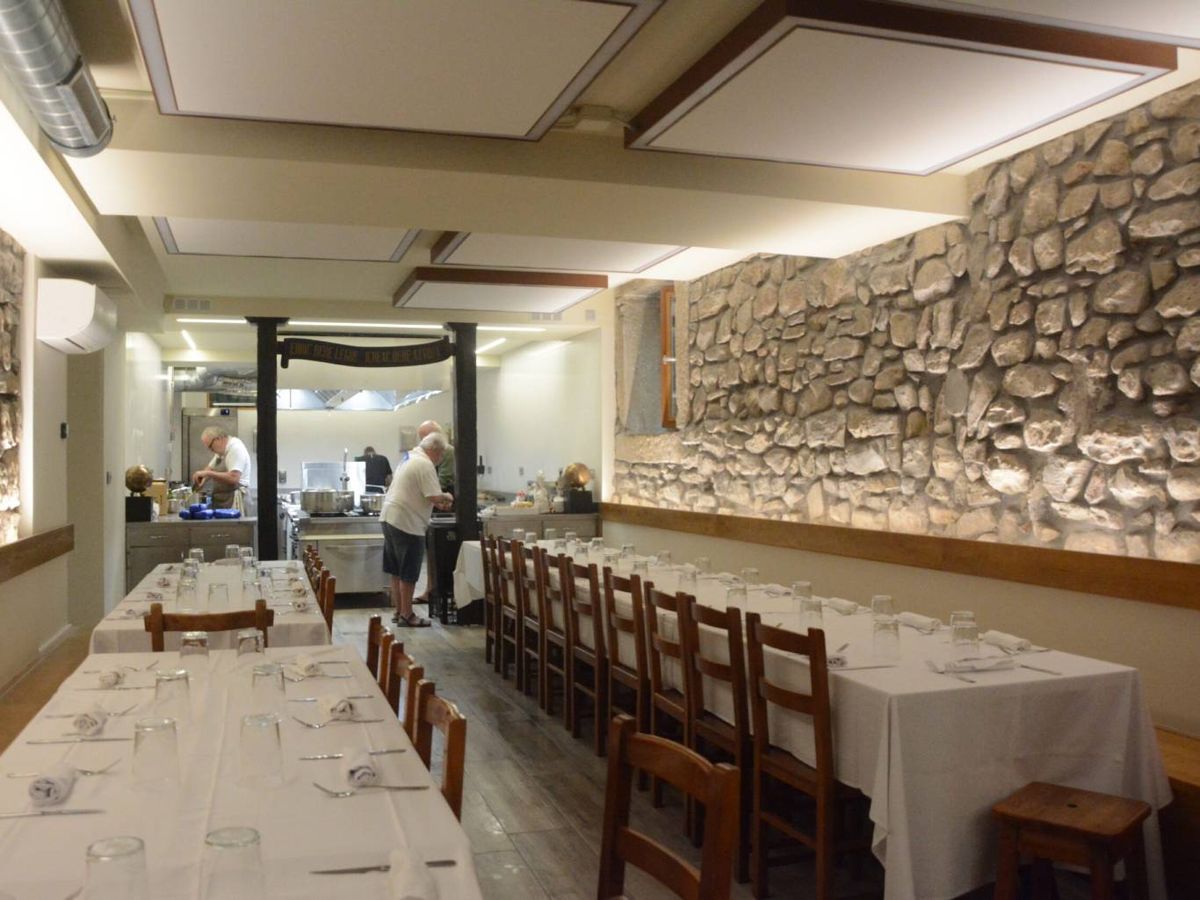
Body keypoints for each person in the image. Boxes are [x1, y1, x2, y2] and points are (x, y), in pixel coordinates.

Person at [381, 431, 453, 627]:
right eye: (441, 454)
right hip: (407, 522)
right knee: (409, 571)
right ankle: (407, 615)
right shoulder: (424, 463)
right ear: (434, 450)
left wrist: (437, 502)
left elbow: (421, 493)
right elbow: (434, 496)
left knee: (396, 570)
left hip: (389, 517)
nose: (440, 459)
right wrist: (447, 497)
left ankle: (398, 611)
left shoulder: (408, 458)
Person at [191, 425, 251, 511]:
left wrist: (208, 474)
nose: (210, 450)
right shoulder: (222, 451)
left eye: (210, 446)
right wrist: (202, 479)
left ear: (218, 439)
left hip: (236, 498)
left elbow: (234, 478)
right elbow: (210, 468)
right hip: (225, 498)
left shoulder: (235, 449)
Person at [418, 419, 455, 494]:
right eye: (421, 439)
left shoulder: (447, 451)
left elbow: (443, 481)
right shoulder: (423, 452)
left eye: (425, 438)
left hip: (443, 494)